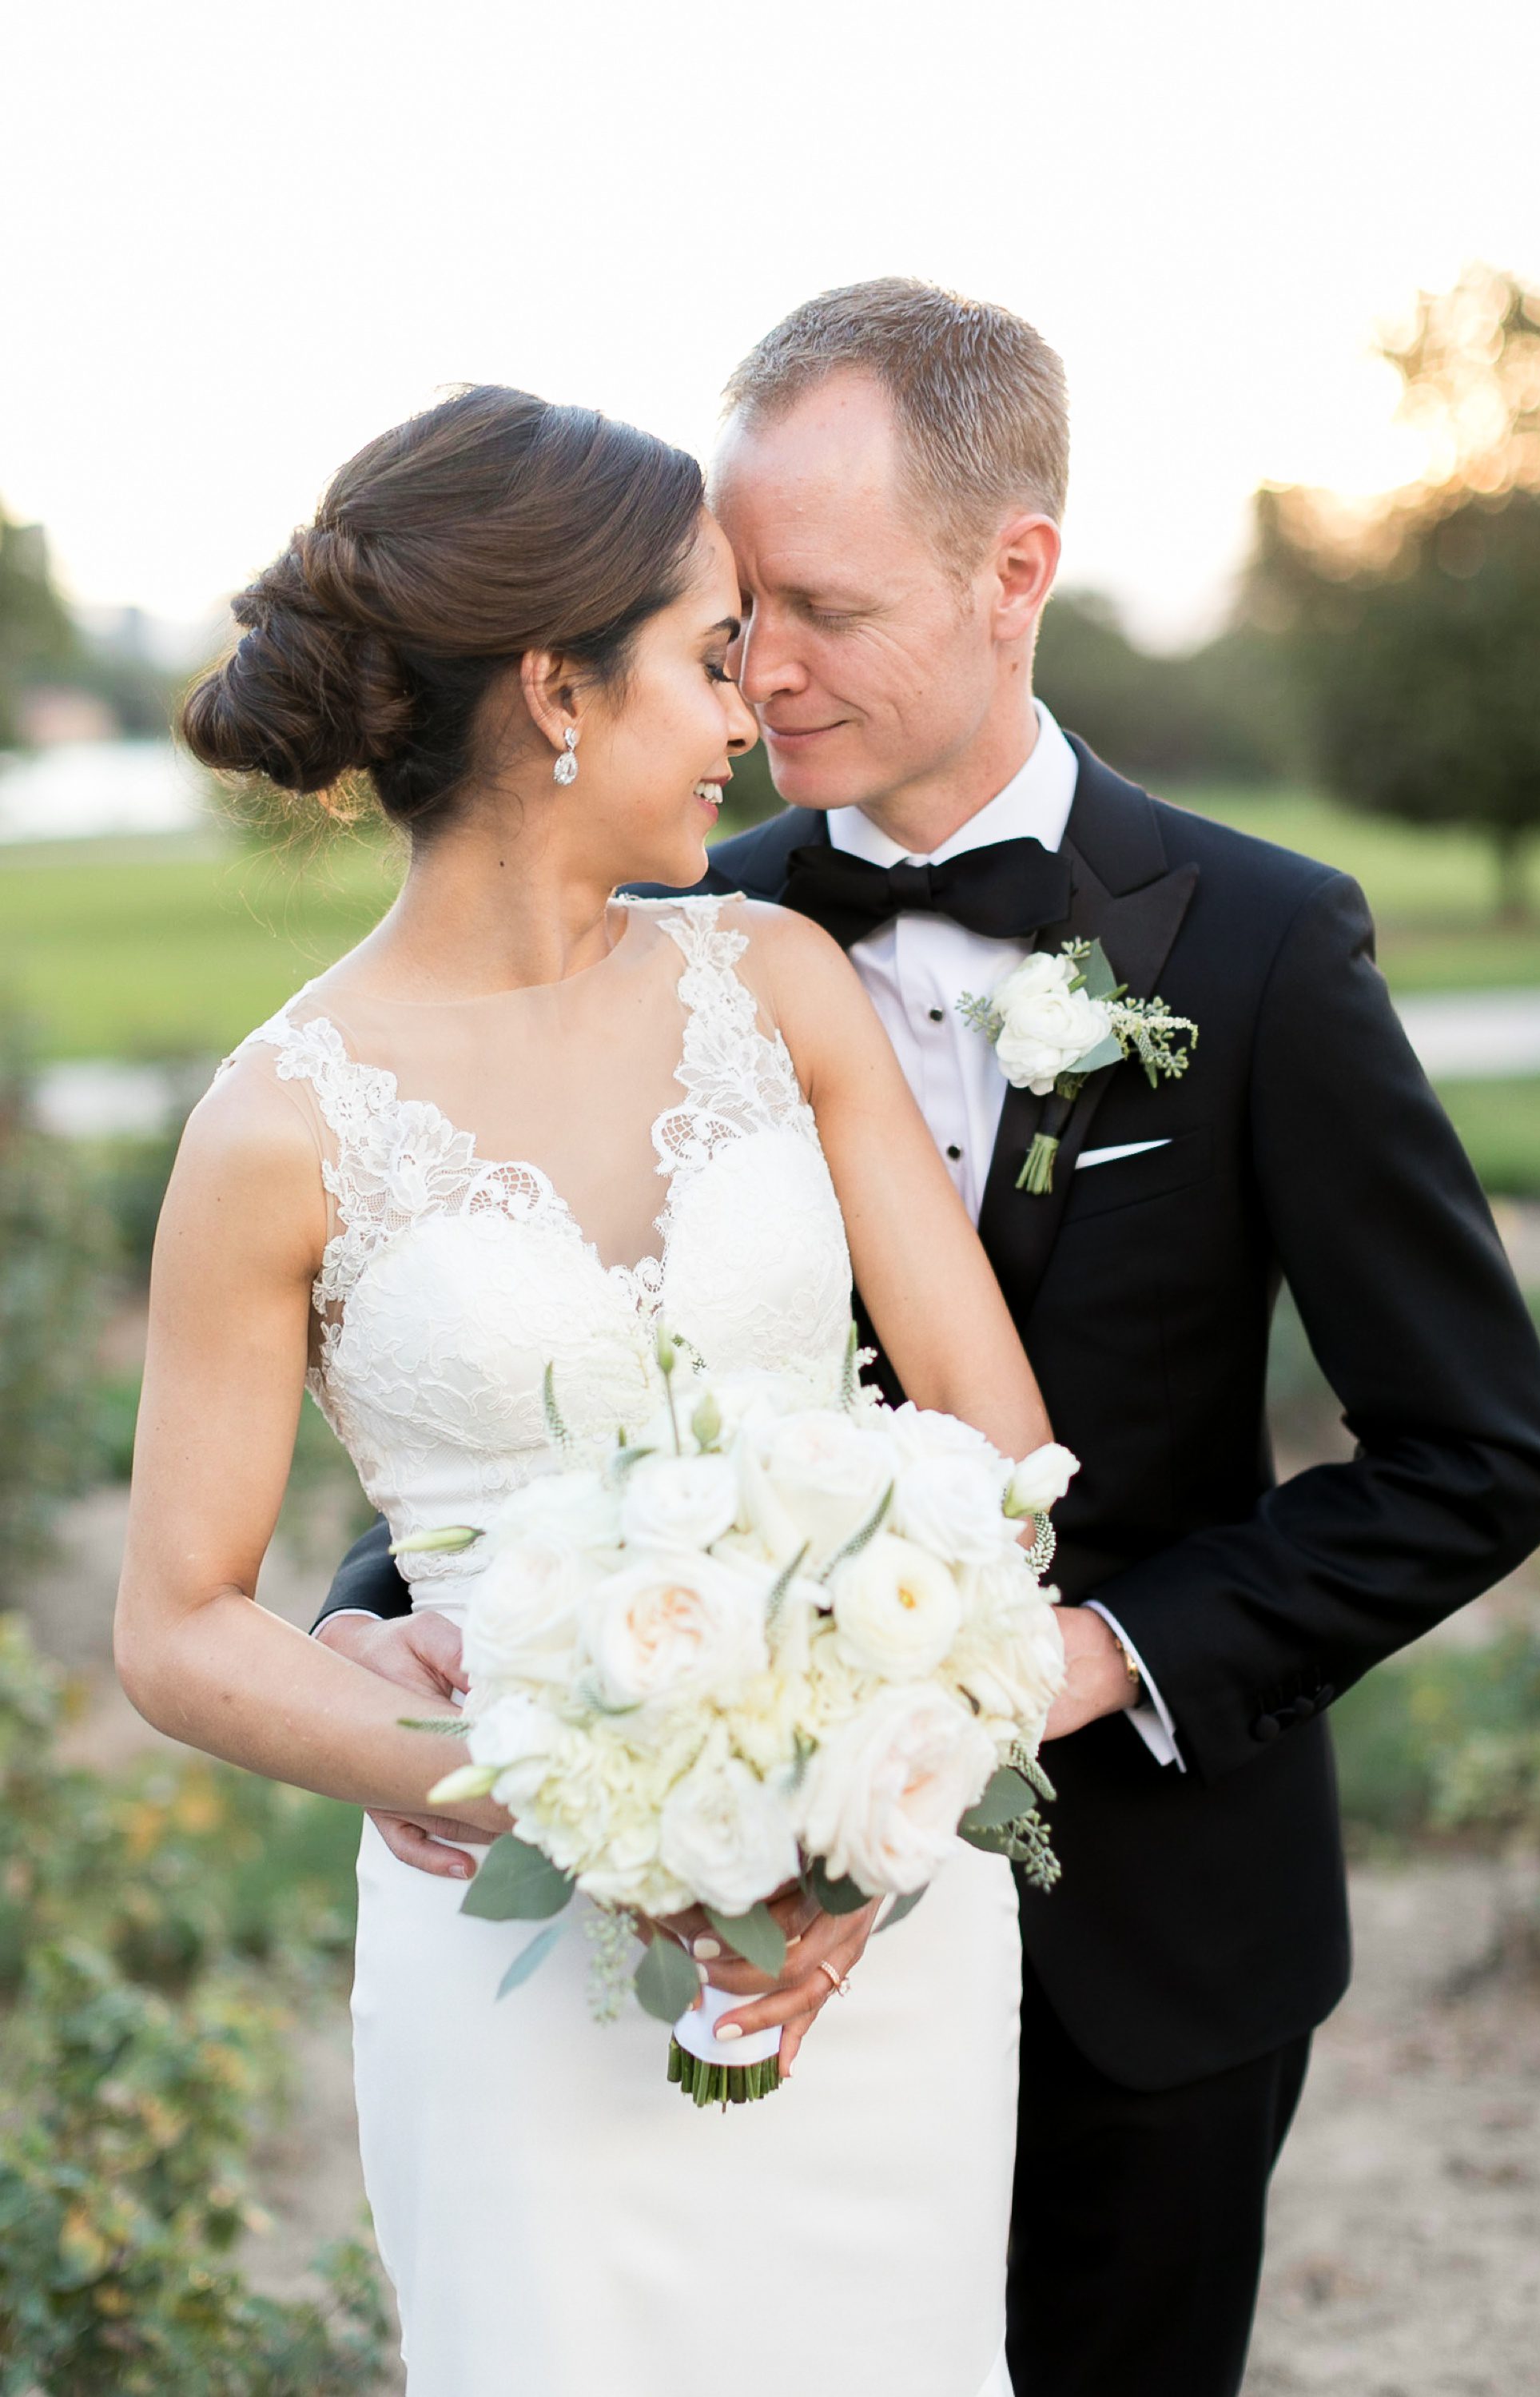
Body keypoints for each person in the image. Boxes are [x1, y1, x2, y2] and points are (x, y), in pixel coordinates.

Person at [316, 284, 1540, 2397]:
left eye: (819, 603)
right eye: (731, 613)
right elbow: (544, 1354)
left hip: (1147, 1960)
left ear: (1018, 578)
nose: (762, 665)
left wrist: (1085, 1664)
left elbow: (1476, 1453)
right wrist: (377, 1606)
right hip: (700, 1936)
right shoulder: (677, 936)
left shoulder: (1265, 946)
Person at [114, 381, 1108, 2397]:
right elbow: (177, 1623)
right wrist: (543, 1796)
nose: (752, 715)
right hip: (518, 1963)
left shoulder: (779, 982)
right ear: (560, 691)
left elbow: (1001, 1465)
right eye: (711, 655)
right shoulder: (276, 1128)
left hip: (876, 1938)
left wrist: (852, 1824)